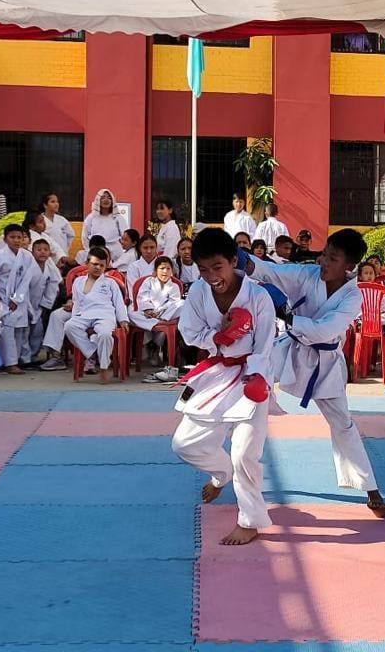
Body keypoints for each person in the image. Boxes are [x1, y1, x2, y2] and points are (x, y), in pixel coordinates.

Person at [246, 227, 385, 517]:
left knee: (343, 424)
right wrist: (241, 260)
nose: (323, 261)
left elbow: (324, 330)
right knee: (248, 385)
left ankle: (370, 487)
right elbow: (270, 272)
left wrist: (286, 316)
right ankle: (227, 469)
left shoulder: (352, 298)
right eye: (324, 254)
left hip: (325, 364)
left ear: (349, 266)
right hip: (290, 349)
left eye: (333, 258)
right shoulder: (307, 274)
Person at [171, 227, 275, 545]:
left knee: (245, 453)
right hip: (217, 373)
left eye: (217, 267)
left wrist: (257, 376)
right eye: (203, 269)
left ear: (233, 260)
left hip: (250, 376)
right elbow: (189, 331)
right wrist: (218, 336)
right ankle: (221, 473)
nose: (212, 276)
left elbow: (265, 344)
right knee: (184, 444)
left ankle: (249, 521)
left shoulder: (258, 296)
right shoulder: (198, 292)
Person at [64, 247, 130, 383]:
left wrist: (123, 320)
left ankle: (104, 368)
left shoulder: (110, 282)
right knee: (69, 326)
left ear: (105, 266)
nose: (98, 268)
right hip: (83, 315)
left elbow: (119, 302)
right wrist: (75, 317)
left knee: (105, 334)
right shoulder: (78, 282)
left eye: (101, 265)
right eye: (95, 264)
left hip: (105, 315)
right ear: (87, 263)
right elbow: (76, 303)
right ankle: (92, 352)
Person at [0, 224, 35, 376]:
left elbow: (27, 279)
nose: (16, 240)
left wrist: (17, 298)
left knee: (19, 331)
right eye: (12, 237)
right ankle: (9, 363)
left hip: (20, 298)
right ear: (5, 239)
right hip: (2, 298)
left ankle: (15, 360)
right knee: (6, 330)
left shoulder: (27, 256)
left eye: (19, 237)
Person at [129, 256, 184, 366]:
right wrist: (148, 310)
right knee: (131, 314)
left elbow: (174, 302)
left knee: (182, 303)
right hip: (148, 315)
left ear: (172, 271)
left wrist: (160, 312)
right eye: (162, 268)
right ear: (155, 271)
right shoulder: (148, 282)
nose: (165, 271)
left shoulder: (174, 286)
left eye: (168, 268)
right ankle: (158, 326)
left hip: (164, 314)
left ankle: (158, 329)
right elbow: (142, 297)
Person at [24, 239, 61, 365]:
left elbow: (53, 287)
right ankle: (23, 358)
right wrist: (27, 306)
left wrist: (45, 305)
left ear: (50, 252)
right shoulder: (28, 266)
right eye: (39, 250)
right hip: (25, 304)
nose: (42, 252)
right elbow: (22, 287)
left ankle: (33, 356)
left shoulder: (50, 268)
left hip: (39, 305)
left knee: (37, 331)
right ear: (32, 252)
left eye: (45, 250)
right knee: (24, 332)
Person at [82, 188, 128, 260]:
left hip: (115, 254)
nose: (106, 200)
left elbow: (125, 235)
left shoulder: (118, 218)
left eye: (109, 198)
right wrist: (89, 251)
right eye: (103, 198)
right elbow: (85, 236)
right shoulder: (91, 217)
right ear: (98, 200)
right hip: (96, 252)